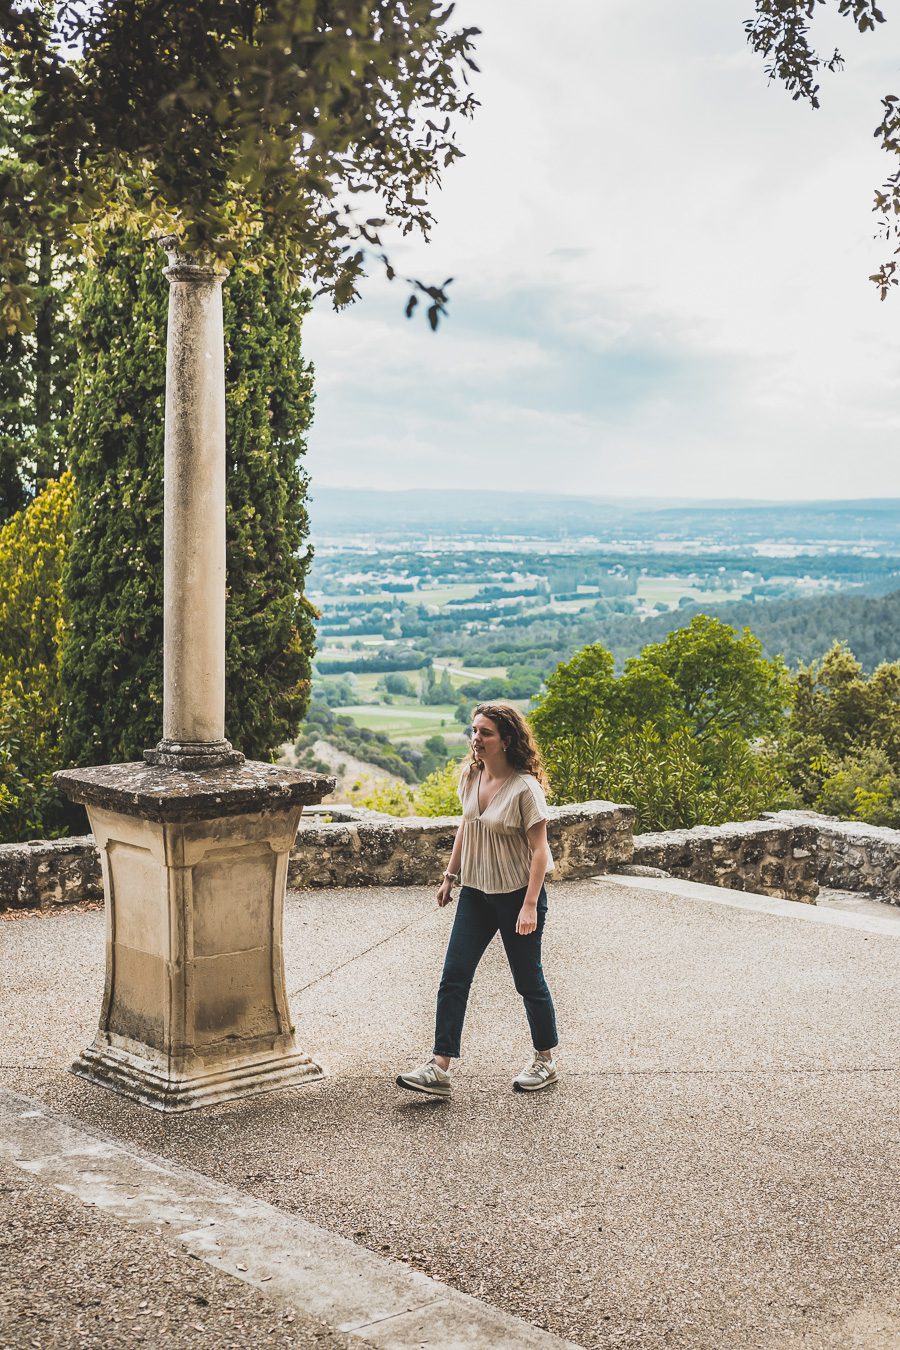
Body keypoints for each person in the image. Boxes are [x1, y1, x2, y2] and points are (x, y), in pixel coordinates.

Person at [397, 702, 559, 1098]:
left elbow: (540, 850)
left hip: (518, 896)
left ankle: (545, 1060)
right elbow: (466, 827)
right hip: (476, 894)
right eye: (473, 731)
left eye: (485, 732)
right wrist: (449, 877)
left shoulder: (525, 788)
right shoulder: (471, 775)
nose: (476, 739)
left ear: (505, 739)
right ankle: (439, 1067)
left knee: (527, 980)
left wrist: (528, 905)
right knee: (454, 976)